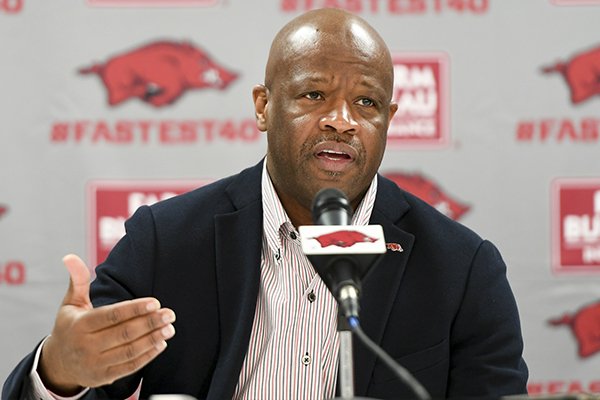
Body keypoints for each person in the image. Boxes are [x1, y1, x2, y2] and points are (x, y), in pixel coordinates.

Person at [3, 8, 528, 400]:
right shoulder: (165, 242)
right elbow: (79, 377)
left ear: (388, 118)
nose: (341, 119)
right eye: (313, 95)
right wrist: (60, 372)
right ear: (262, 106)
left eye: (366, 102)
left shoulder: (463, 269)